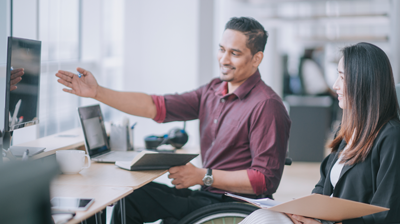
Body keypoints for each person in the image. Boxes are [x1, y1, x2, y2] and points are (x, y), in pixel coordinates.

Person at [56, 17, 291, 223]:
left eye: (235, 53)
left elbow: (264, 180)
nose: (224, 59)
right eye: (222, 49)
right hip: (207, 193)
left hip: (236, 205)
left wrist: (203, 175)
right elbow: (155, 105)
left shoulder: (266, 105)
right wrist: (97, 92)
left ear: (256, 58)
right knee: (129, 197)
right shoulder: (213, 90)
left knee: (134, 203)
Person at [239, 42, 400, 224]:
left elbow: (387, 214)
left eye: (341, 77)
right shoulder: (347, 130)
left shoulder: (391, 137)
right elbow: (323, 185)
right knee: (262, 217)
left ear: (363, 81)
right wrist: (303, 212)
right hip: (322, 221)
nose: (335, 85)